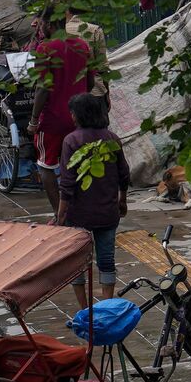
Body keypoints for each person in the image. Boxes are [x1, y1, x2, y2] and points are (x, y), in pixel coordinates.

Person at [56, 93, 128, 308]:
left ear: (78, 116)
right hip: (107, 213)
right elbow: (124, 174)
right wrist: (122, 200)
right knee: (106, 261)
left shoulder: (71, 141)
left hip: (79, 215)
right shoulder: (112, 139)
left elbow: (67, 183)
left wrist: (61, 215)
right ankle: (106, 307)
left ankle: (84, 310)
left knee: (77, 264)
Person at [26, 9, 94, 212]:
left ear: (49, 25)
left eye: (40, 24)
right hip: (79, 118)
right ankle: (81, 208)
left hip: (53, 120)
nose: (39, 29)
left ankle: (59, 213)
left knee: (46, 165)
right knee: (79, 164)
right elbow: (90, 82)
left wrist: (33, 120)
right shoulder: (82, 45)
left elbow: (42, 88)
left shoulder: (45, 49)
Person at [64, 3, 112, 108]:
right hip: (95, 92)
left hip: (69, 93)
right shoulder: (95, 30)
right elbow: (102, 66)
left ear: (68, 11)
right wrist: (107, 93)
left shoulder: (60, 32)